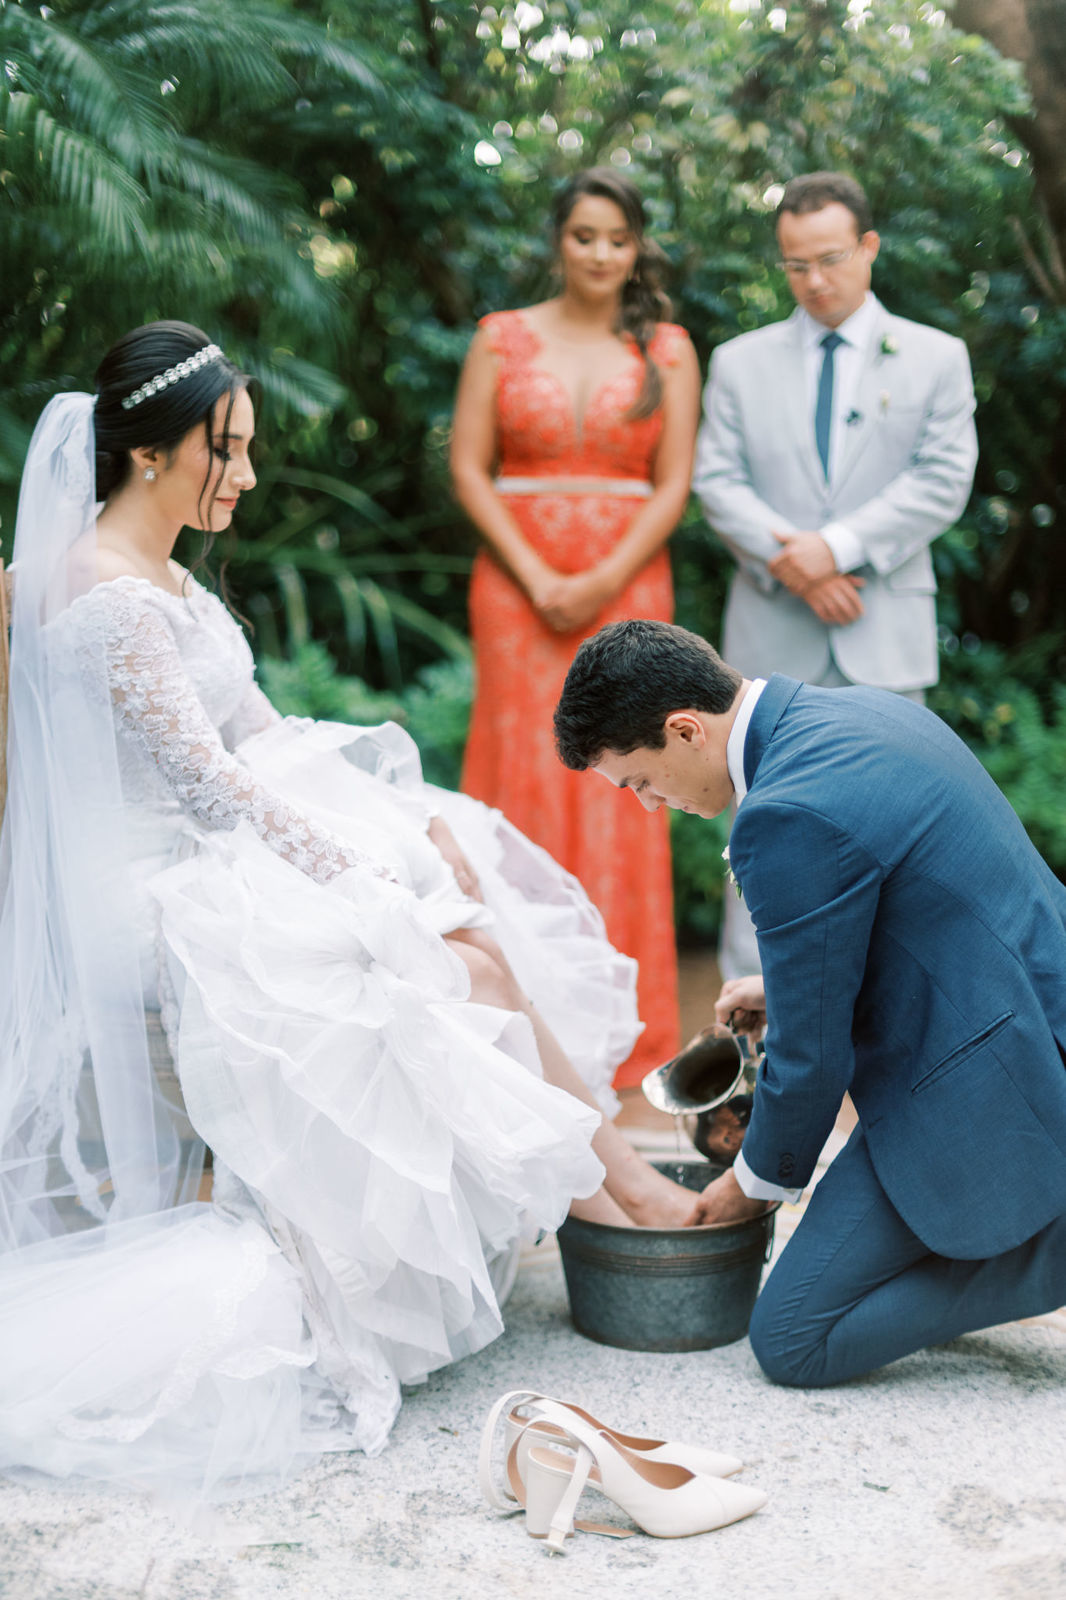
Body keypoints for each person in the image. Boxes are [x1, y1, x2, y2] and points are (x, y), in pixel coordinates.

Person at [0, 325, 696, 1499]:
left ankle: (616, 1183)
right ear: (155, 454)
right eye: (229, 451)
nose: (249, 477)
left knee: (459, 895)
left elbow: (261, 738)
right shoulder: (107, 596)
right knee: (440, 958)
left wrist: (401, 825)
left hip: (206, 857)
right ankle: (618, 1186)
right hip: (151, 898)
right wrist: (358, 875)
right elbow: (211, 789)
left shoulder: (164, 575)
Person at [554, 619, 1066, 1388]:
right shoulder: (865, 712)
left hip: (993, 1074)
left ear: (684, 729)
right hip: (1024, 1007)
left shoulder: (785, 812)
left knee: (795, 1337)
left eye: (640, 782)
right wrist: (789, 988)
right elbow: (932, 906)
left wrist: (752, 1181)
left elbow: (811, 1059)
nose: (651, 806)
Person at [691, 172, 978, 976]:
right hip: (770, 632)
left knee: (898, 830)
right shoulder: (740, 362)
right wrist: (802, 568)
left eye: (829, 259)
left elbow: (941, 480)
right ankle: (753, 1046)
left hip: (880, 631)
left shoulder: (937, 357)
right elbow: (717, 482)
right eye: (794, 265)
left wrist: (837, 548)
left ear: (869, 249)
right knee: (758, 825)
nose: (814, 280)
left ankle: (899, 1029)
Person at [451, 167, 702, 1088]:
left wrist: (598, 576)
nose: (600, 253)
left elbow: (673, 482)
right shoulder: (500, 339)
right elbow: (470, 467)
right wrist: (539, 575)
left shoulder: (668, 348)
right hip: (517, 591)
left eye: (618, 239)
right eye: (584, 234)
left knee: (625, 780)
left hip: (628, 584)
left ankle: (622, 1024)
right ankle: (518, 1006)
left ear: (637, 250)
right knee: (524, 772)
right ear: (559, 239)